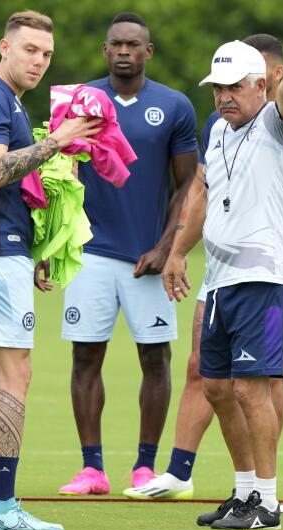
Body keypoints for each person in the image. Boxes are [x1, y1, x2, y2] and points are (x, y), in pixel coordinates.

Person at [125, 32, 283, 501]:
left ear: (261, 85)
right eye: (218, 87)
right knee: (215, 387)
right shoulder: (217, 128)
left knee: (252, 391)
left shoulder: (279, 123)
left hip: (261, 279)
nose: (224, 96)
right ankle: (243, 492)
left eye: (234, 86)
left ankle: (267, 500)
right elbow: (201, 194)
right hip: (218, 281)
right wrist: (176, 252)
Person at [0, 10, 100, 530]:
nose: (39, 60)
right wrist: (59, 139)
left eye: (47, 54)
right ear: (5, 49)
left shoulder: (3, 99)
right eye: (30, 50)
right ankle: (2, 506)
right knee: (16, 375)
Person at [58, 12, 197, 495]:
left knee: (155, 359)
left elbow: (187, 186)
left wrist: (166, 246)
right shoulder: (81, 101)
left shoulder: (174, 106)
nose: (123, 51)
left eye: (133, 45)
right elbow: (58, 174)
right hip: (89, 254)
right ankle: (92, 469)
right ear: (104, 49)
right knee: (85, 358)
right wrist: (56, 241)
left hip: (148, 260)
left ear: (148, 51)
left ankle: (144, 467)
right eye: (115, 43)